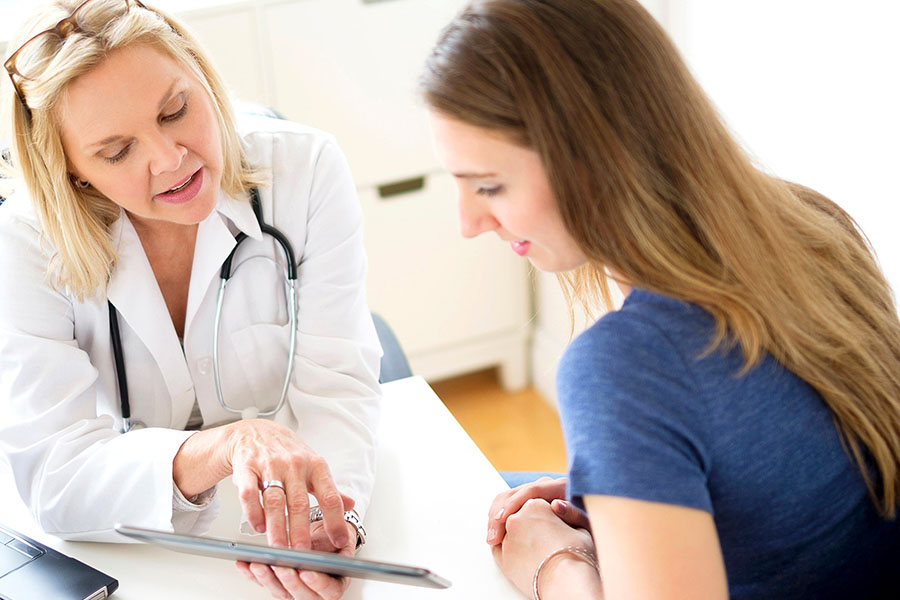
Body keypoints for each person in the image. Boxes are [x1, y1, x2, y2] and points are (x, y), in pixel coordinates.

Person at [421, 1, 900, 598]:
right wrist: (628, 491)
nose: (469, 222)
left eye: (489, 185)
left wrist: (550, 563)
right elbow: (787, 460)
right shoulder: (815, 224)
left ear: (592, 160)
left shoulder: (627, 364)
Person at [0, 1, 381, 598]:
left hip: (286, 504)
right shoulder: (24, 241)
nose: (170, 159)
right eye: (116, 152)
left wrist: (331, 522)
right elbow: (57, 477)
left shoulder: (304, 169)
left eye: (176, 110)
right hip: (145, 550)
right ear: (73, 171)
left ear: (203, 74)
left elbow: (335, 387)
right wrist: (227, 445)